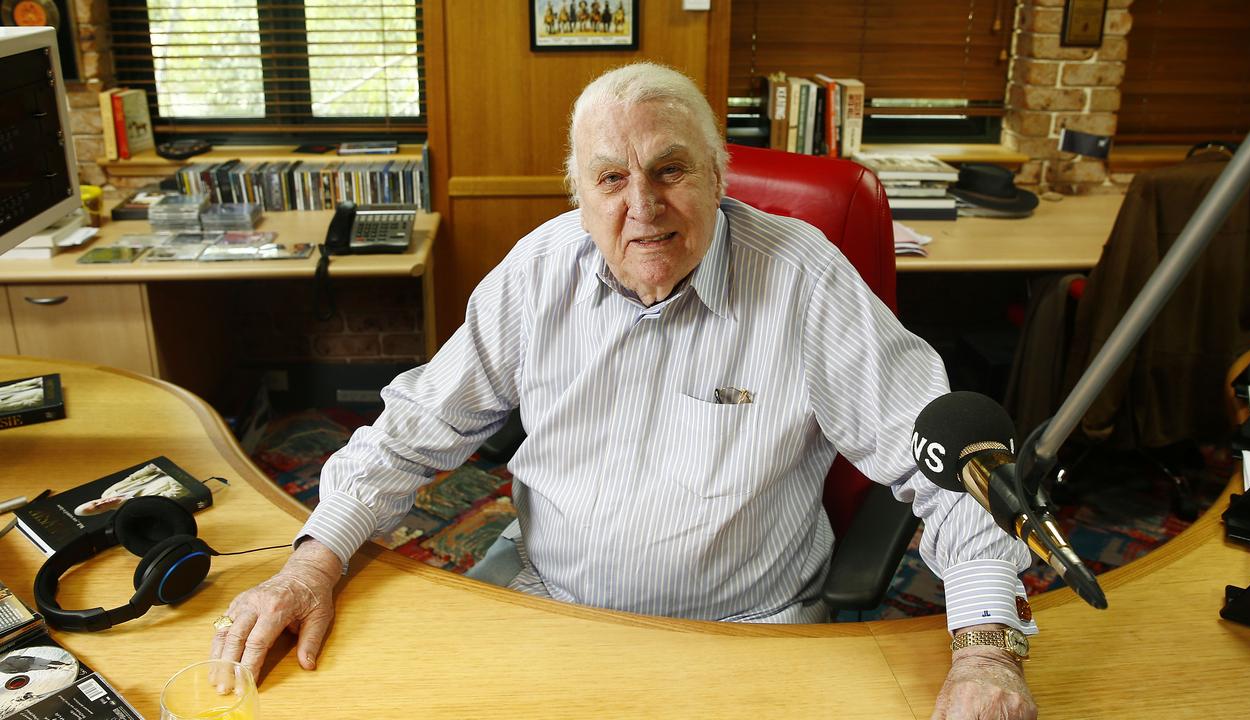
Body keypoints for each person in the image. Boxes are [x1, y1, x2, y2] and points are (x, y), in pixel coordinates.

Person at [211, 63, 1038, 719]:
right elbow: (411, 429)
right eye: (610, 179)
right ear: (579, 195)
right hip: (549, 605)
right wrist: (311, 565)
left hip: (746, 632)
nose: (644, 207)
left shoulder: (802, 279)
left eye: (669, 169)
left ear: (717, 175)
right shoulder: (538, 272)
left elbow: (949, 464)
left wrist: (987, 651)